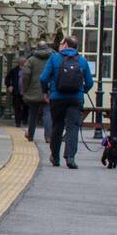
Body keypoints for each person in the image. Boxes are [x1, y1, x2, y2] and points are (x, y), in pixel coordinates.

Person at [41, 34, 94, 169]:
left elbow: (43, 78)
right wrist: (82, 91)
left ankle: (55, 157)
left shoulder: (55, 58)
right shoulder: (82, 60)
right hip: (76, 99)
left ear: (65, 45)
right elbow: (89, 82)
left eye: (61, 43)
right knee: (73, 128)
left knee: (57, 126)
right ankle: (70, 157)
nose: (59, 45)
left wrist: (45, 92)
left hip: (57, 98)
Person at [21, 41, 52, 142]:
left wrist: (25, 89)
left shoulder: (31, 60)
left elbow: (25, 76)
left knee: (33, 114)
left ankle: (30, 135)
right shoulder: (52, 59)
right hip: (48, 91)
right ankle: (48, 136)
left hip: (33, 91)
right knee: (47, 113)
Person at [5, 57, 25, 127]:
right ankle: (18, 122)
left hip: (26, 93)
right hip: (17, 92)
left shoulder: (28, 70)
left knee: (25, 106)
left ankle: (24, 120)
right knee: (17, 107)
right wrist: (9, 86)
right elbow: (7, 78)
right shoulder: (14, 70)